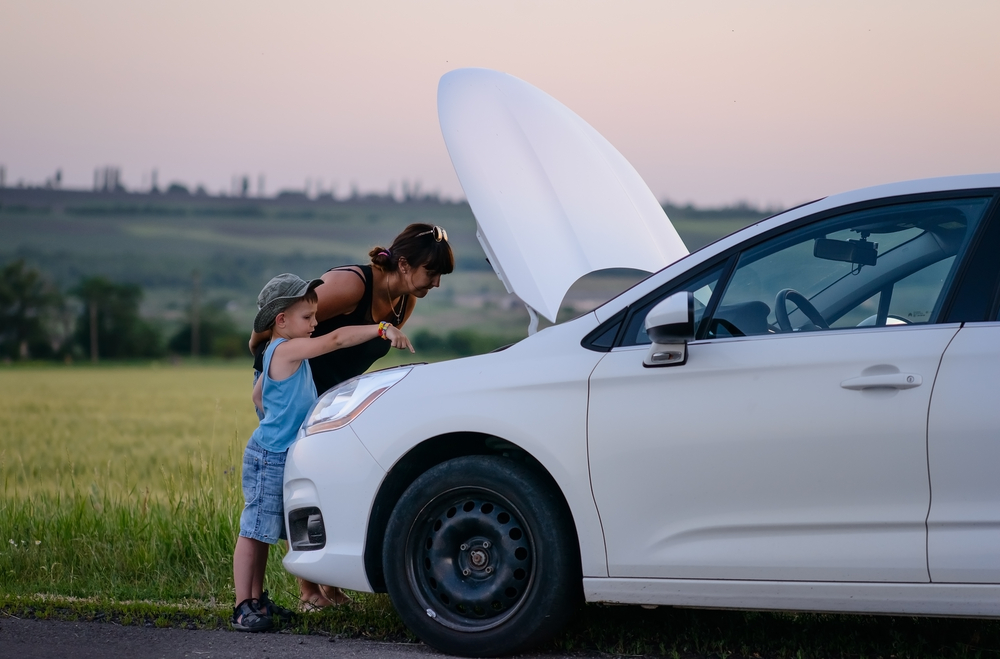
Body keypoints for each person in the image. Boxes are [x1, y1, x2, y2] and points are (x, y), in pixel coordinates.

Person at [248, 222, 454, 609]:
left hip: (329, 400)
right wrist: (263, 379)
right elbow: (278, 326)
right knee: (301, 484)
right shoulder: (350, 286)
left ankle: (328, 583)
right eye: (433, 272)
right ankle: (308, 592)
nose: (437, 283)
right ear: (405, 264)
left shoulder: (402, 302)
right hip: (291, 394)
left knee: (330, 483)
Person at [233, 273, 413, 632]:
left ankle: (257, 601)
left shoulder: (277, 353)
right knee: (253, 532)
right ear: (280, 320)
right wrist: (381, 329)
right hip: (270, 455)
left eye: (315, 317)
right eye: (307, 317)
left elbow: (258, 397)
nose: (316, 323)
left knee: (265, 532)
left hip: (274, 451)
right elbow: (336, 339)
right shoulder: (286, 348)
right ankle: (242, 606)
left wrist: (274, 417)